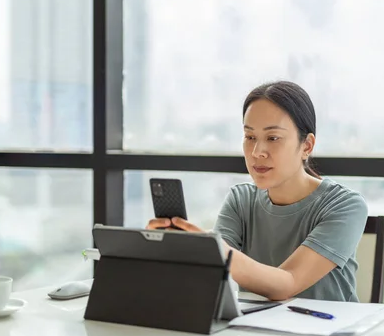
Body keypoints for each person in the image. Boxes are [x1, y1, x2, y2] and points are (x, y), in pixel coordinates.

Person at [147, 81, 368, 302]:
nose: (257, 152)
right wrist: (176, 249)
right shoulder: (240, 200)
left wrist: (213, 249)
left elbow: (288, 282)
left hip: (325, 333)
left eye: (273, 138)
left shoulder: (345, 205)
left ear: (307, 146)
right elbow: (211, 275)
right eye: (250, 137)